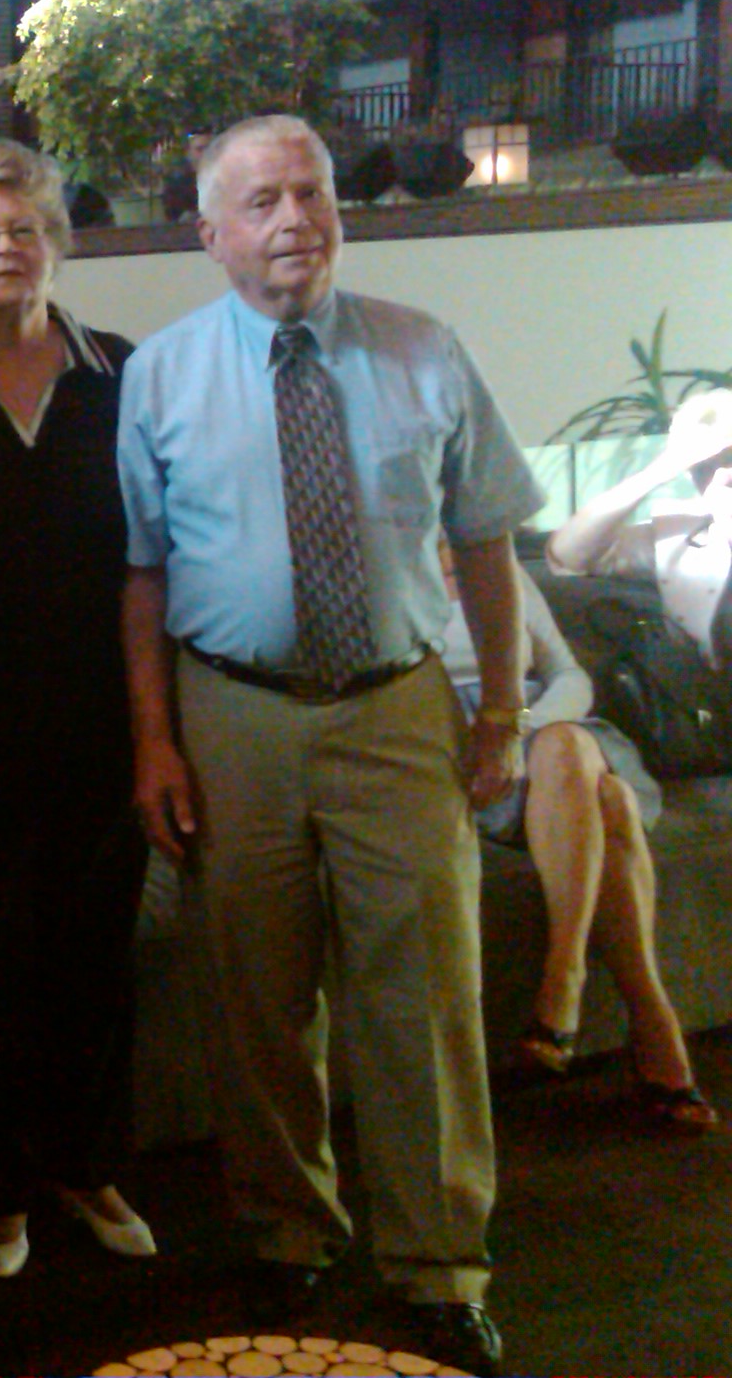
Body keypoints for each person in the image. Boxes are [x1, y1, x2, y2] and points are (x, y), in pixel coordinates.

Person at [117, 115, 543, 1378]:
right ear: (209, 234)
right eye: (259, 202)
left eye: (308, 194)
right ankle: (285, 1229)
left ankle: (438, 1263)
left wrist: (501, 712)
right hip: (229, 715)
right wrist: (154, 741)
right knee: (254, 994)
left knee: (423, 1000)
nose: (292, 219)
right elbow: (140, 574)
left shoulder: (425, 349)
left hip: (395, 710)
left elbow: (483, 540)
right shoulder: (161, 375)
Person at [0, 139, 154, 1276]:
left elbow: (152, 559)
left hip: (103, 708)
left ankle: (85, 1163)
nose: (6, 247)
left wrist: (156, 733)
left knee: (95, 952)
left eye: (25, 227)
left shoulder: (123, 372)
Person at [439, 550, 716, 1132]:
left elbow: (569, 675)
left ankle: (564, 977)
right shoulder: (391, 577)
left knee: (568, 749)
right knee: (610, 801)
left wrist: (525, 726)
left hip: (544, 724)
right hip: (467, 745)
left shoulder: (498, 565)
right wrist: (497, 737)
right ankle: (654, 1024)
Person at [547, 389, 732, 665]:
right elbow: (569, 555)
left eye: (730, 459)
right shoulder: (679, 538)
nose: (722, 476)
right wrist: (658, 472)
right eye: (703, 466)